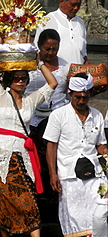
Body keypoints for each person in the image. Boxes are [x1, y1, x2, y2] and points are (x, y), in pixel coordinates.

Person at [0, 38, 57, 237]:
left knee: (29, 204)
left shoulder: (31, 100)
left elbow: (53, 83)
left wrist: (39, 62)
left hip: (22, 155)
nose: (20, 81)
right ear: (9, 79)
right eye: (16, 78)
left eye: (24, 78)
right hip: (0, 154)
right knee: (6, 203)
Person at [43, 73, 107, 237]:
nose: (81, 101)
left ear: (90, 95)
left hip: (96, 176)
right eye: (77, 97)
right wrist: (52, 174)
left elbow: (100, 145)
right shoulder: (59, 115)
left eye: (85, 97)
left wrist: (105, 153)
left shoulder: (97, 115)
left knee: (99, 217)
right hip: (68, 176)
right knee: (75, 222)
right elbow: (51, 145)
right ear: (70, 93)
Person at [25, 29, 69, 188]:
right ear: (39, 47)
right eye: (47, 49)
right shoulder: (29, 64)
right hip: (32, 117)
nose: (51, 52)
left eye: (54, 49)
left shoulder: (65, 66)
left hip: (57, 114)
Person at [34, 0, 87, 64]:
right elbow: (37, 50)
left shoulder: (81, 23)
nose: (76, 8)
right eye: (73, 5)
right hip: (56, 72)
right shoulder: (48, 20)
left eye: (78, 5)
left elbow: (83, 52)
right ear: (61, 2)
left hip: (78, 72)